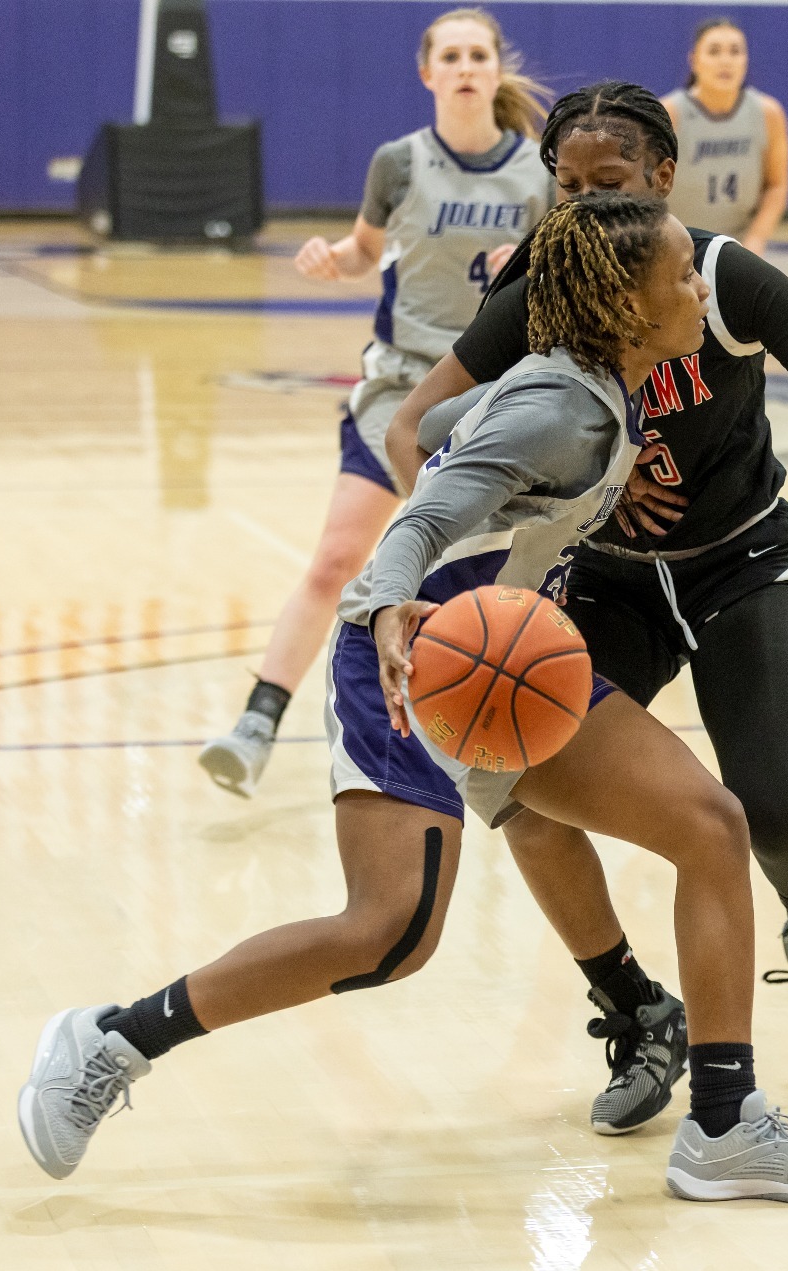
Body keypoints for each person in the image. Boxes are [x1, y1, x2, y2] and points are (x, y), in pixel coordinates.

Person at [20, 193, 788, 1206]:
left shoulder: (603, 382)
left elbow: (428, 425)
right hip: (414, 657)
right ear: (624, 302)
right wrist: (390, 608)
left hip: (504, 658)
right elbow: (418, 517)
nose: (700, 286)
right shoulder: (560, 406)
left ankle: (724, 1121)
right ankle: (112, 1039)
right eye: (682, 273)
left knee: (708, 825)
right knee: (389, 932)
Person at [385, 82, 788, 1132]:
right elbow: (411, 428)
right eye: (566, 183)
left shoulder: (716, 278)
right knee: (518, 788)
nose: (580, 203)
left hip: (742, 566)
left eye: (608, 183)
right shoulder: (545, 284)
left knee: (772, 807)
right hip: (607, 578)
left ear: (662, 178)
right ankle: (634, 1008)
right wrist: (564, 488)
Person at [197, 8, 554, 796]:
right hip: (398, 391)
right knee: (335, 559)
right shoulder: (399, 162)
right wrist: (335, 259)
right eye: (451, 56)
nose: (465, 67)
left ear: (496, 69)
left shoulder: (538, 174)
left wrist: (524, 267)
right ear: (428, 74)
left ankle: (474, 732)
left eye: (478, 54)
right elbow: (366, 250)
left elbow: (558, 293)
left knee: (477, 580)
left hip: (491, 402)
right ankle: (258, 721)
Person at [661, 18, 788, 253]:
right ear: (694, 61)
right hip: (677, 244)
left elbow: (776, 185)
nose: (725, 61)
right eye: (714, 51)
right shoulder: (670, 113)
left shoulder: (768, 113)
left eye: (735, 51)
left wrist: (756, 239)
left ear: (746, 60)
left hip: (738, 246)